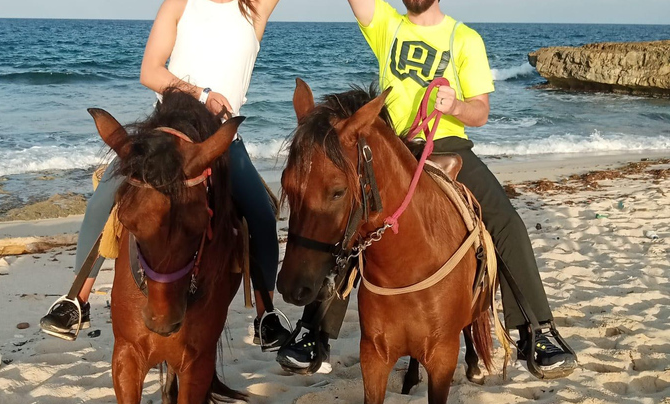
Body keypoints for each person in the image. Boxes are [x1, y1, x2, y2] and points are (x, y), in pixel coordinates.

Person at [278, 0, 578, 379]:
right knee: (347, 219)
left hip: (449, 147)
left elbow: (481, 112)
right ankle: (313, 334)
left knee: (507, 224)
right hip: (394, 149)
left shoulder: (464, 38)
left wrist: (454, 105)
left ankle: (537, 331)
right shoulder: (388, 25)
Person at [40, 0, 292, 350]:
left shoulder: (255, 9)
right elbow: (150, 71)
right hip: (169, 130)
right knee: (106, 195)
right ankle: (77, 300)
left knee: (261, 213)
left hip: (220, 138)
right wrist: (201, 94)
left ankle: (266, 314)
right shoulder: (180, 3)